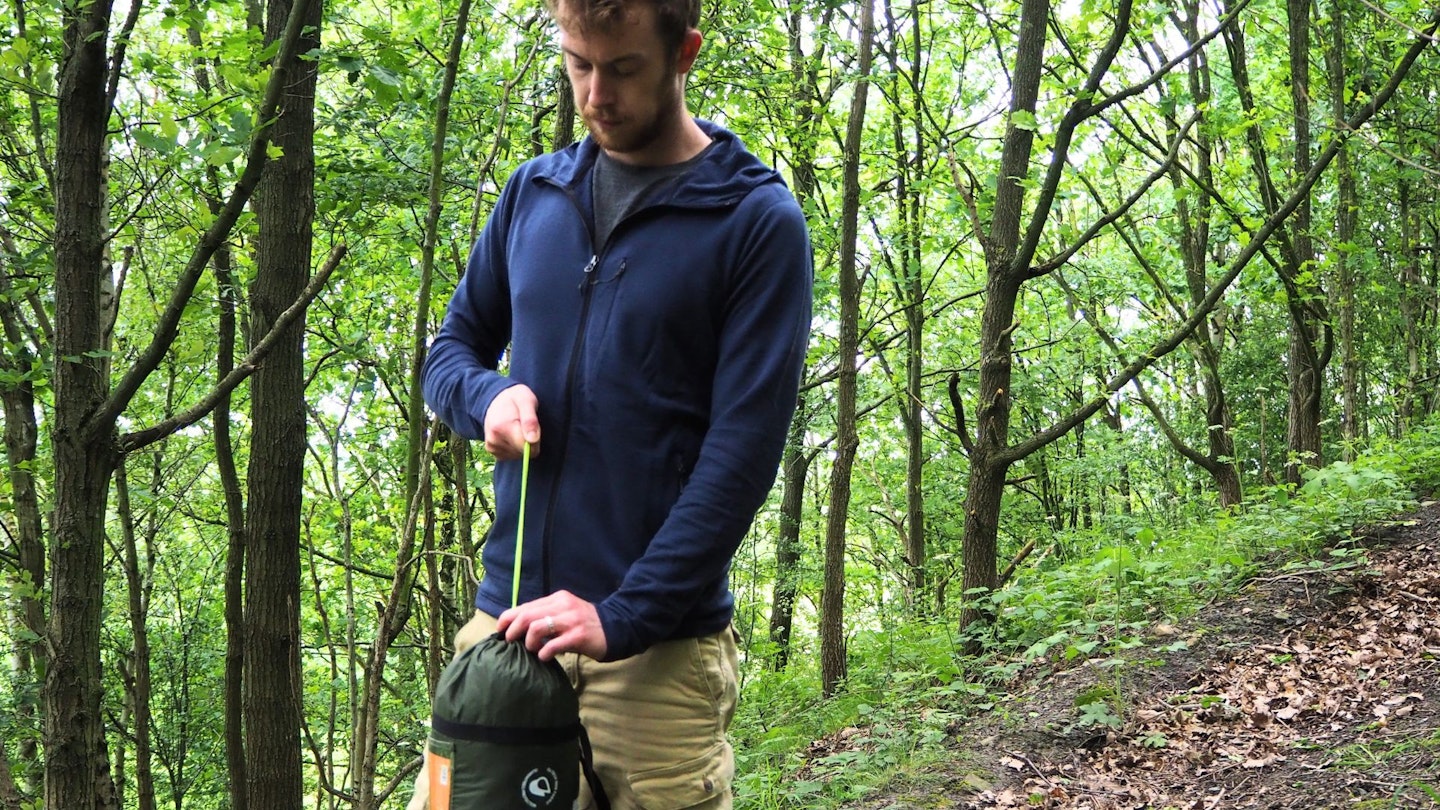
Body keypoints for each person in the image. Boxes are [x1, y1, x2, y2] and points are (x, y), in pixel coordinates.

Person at [412, 0, 813, 807]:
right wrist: (487, 397)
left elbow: (741, 457)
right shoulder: (534, 193)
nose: (596, 94)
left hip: (656, 663)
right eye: (578, 64)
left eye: (623, 68)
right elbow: (448, 353)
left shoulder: (754, 221)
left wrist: (624, 616)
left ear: (684, 54)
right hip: (506, 635)